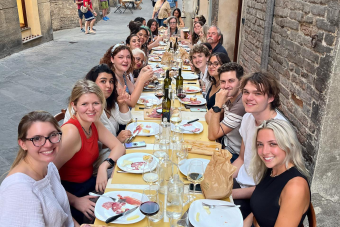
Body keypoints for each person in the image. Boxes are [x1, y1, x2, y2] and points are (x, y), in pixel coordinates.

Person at [54, 80, 126, 224]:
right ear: (74, 106)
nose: (91, 109)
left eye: (96, 103)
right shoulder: (71, 133)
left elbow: (119, 147)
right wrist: (75, 201)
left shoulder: (93, 123)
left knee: (125, 199)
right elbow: (47, 177)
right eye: (84, 104)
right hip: (70, 194)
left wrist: (104, 166)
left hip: (89, 185)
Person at [0, 111, 77, 227]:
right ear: (23, 144)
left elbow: (64, 214)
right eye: (37, 138)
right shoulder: (18, 190)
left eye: (53, 135)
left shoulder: (49, 167)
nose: (48, 144)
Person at [232, 71, 287, 219]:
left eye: (257, 94)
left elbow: (271, 187)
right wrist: (222, 179)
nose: (249, 98)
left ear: (270, 97)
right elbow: (242, 159)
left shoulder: (278, 131)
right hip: (240, 184)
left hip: (257, 198)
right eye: (246, 92)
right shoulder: (248, 117)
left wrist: (231, 194)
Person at [243, 119, 310, 227]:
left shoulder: (295, 187)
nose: (264, 152)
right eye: (260, 144)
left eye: (273, 144)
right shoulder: (273, 168)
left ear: (289, 145)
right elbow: (259, 208)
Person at [64, 64, 132, 143]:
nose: (109, 85)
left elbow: (126, 120)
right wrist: (117, 140)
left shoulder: (107, 100)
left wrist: (122, 104)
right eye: (103, 81)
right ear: (92, 84)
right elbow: (88, 146)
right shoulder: (83, 110)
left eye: (111, 81)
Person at [205, 63, 246, 162]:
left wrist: (218, 104)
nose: (226, 86)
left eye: (231, 81)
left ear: (240, 82)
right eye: (223, 82)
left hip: (234, 156)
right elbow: (207, 115)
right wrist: (215, 128)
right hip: (224, 145)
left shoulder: (241, 105)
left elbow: (212, 135)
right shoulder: (229, 96)